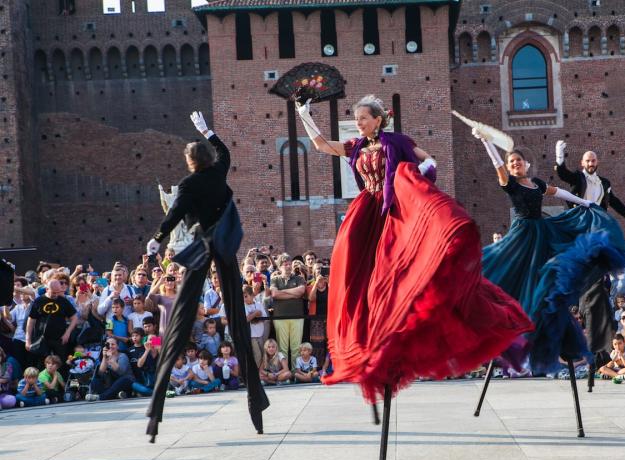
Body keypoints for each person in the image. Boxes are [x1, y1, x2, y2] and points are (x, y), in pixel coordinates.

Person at [296, 95, 532, 402]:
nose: (359, 123)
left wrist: (412, 179)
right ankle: (369, 343)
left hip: (394, 210)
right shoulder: (356, 146)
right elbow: (321, 145)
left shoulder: (397, 142)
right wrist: (304, 113)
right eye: (356, 119)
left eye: (363, 118)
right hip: (366, 214)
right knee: (357, 273)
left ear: (378, 119)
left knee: (396, 276)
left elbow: (429, 160)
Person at [145, 111, 268, 437]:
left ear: (190, 162)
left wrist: (157, 239)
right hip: (225, 247)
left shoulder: (189, 184)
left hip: (202, 249)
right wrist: (208, 131)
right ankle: (256, 404)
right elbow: (225, 153)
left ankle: (155, 415)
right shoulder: (218, 171)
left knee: (182, 315)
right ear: (208, 159)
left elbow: (174, 215)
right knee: (237, 319)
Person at [474, 134, 625, 373]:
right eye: (511, 162)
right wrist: (486, 142)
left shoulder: (536, 183)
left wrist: (585, 203)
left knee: (558, 257)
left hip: (542, 231)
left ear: (525, 164)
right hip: (523, 234)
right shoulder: (510, 183)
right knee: (514, 274)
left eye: (518, 161)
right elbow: (497, 164)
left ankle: (543, 313)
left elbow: (560, 193)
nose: (515, 164)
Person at [553, 140, 625, 359]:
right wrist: (559, 157)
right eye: (588, 160)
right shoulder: (578, 178)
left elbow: (614, 202)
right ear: (583, 163)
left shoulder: (604, 182)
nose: (591, 163)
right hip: (580, 223)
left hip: (597, 225)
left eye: (593, 160)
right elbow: (564, 175)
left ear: (597, 162)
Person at [25, 279, 78, 366]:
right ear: (47, 289)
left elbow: (74, 318)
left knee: (60, 364)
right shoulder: (39, 301)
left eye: (58, 292)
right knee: (41, 364)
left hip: (59, 338)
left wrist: (67, 333)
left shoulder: (63, 301)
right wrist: (28, 339)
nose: (56, 294)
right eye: (53, 292)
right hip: (41, 339)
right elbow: (31, 321)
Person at [269, 254, 306, 368]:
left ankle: (295, 371)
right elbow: (274, 294)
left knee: (296, 347)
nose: (289, 266)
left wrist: (283, 292)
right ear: (280, 266)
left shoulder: (299, 278)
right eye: (285, 264)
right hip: (280, 317)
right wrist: (294, 294)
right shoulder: (275, 279)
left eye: (290, 264)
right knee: (282, 348)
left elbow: (301, 291)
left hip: (297, 316)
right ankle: (285, 371)